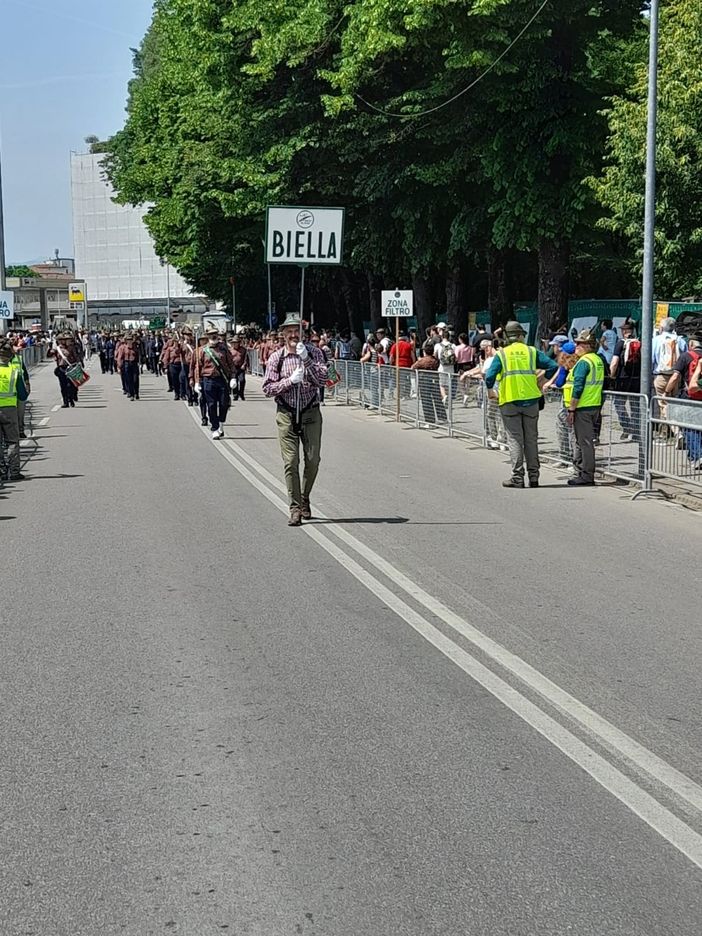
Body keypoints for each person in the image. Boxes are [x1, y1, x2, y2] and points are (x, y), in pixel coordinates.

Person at [262, 313, 328, 526]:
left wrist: (306, 360)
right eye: (289, 331)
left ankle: (305, 496)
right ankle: (295, 507)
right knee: (291, 462)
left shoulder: (315, 353)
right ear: (283, 334)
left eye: (296, 330)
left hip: (310, 412)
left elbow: (323, 380)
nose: (293, 334)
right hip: (286, 412)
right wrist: (289, 382)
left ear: (303, 333)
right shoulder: (276, 358)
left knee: (313, 460)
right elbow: (267, 388)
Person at [484, 321, 557, 488]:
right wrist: (541, 381)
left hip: (509, 401)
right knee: (531, 439)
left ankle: (517, 477)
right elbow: (553, 366)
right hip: (531, 401)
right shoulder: (531, 351)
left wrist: (490, 391)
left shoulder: (502, 355)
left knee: (515, 439)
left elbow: (489, 377)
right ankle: (534, 477)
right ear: (520, 336)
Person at [564, 331, 605, 487]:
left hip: (582, 407)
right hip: (594, 405)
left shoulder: (583, 362)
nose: (576, 346)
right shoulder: (597, 360)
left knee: (585, 443)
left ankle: (586, 475)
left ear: (588, 346)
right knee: (585, 442)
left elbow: (578, 387)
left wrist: (572, 409)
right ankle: (582, 472)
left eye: (580, 344)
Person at [192, 327, 237, 440]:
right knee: (211, 405)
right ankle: (215, 428)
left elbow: (231, 364)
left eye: (215, 334)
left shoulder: (224, 350)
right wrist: (197, 382)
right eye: (211, 334)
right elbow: (198, 367)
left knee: (223, 404)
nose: (213, 336)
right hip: (208, 380)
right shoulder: (202, 350)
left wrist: (233, 378)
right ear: (207, 336)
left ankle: (221, 423)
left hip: (222, 380)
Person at [652, 317, 687, 435]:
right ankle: (665, 432)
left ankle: (676, 432)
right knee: (671, 403)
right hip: (676, 376)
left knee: (663, 404)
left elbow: (651, 359)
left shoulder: (656, 340)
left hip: (661, 376)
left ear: (661, 328)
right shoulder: (680, 341)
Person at [610, 321, 642, 441]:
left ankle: (626, 426)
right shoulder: (640, 343)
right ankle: (636, 432)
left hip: (622, 379)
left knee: (619, 404)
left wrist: (612, 376)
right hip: (636, 379)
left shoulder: (620, 344)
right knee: (635, 406)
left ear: (624, 331)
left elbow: (614, 362)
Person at [0, 340, 27, 481]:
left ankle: (1, 471)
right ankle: (14, 471)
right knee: (12, 441)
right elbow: (23, 394)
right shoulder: (13, 371)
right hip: (9, 409)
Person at [412, 342, 446, 427]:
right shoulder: (435, 360)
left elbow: (413, 367)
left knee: (426, 401)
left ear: (425, 352)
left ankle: (430, 421)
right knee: (437, 398)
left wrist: (419, 360)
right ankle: (442, 417)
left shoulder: (423, 360)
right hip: (434, 379)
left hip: (424, 381)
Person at [115, 333, 140, 400]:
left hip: (134, 364)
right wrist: (119, 367)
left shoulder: (135, 347)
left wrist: (140, 364)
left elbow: (138, 356)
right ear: (126, 340)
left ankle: (136, 393)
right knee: (129, 380)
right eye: (128, 340)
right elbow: (120, 357)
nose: (130, 341)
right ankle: (131, 394)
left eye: (131, 339)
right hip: (127, 364)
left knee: (135, 380)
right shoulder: (123, 347)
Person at [228, 333, 248, 401]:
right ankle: (235, 395)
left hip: (241, 367)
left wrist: (244, 365)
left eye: (236, 342)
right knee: (234, 382)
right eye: (234, 343)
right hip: (233, 368)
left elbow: (246, 358)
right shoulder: (230, 350)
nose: (235, 344)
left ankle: (241, 393)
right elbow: (229, 359)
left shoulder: (243, 350)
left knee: (242, 380)